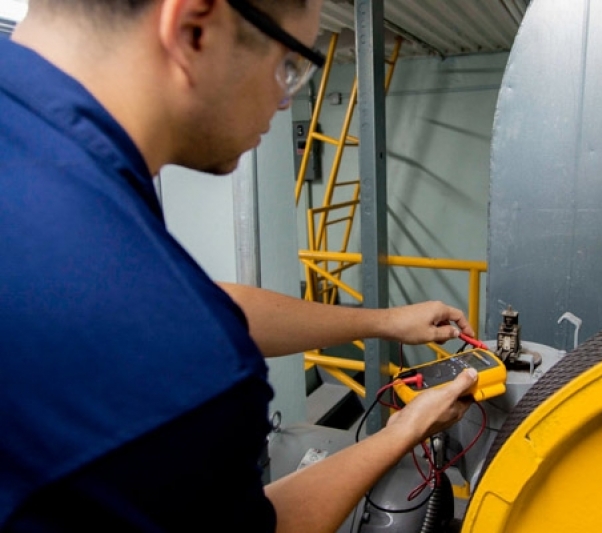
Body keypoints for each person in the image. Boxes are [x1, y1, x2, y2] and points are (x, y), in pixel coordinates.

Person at [0, 0, 478, 531]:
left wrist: (384, 321)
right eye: (289, 65)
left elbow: (198, 308)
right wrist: (403, 431)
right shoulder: (184, 373)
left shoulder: (40, 152)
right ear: (195, 28)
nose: (283, 100)